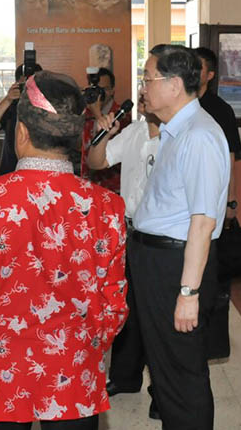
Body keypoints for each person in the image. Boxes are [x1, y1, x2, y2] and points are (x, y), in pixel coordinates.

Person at [0, 71, 128, 429]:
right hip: (74, 371)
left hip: (0, 371)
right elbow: (113, 300)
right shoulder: (106, 207)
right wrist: (86, 347)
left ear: (21, 133)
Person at [130, 44, 230, 430]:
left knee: (182, 371)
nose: (143, 87)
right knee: (165, 367)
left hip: (177, 264)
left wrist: (188, 294)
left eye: (148, 78)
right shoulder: (175, 131)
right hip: (157, 260)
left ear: (174, 85)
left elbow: (203, 222)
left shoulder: (200, 136)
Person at [86, 94, 161, 412]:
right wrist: (104, 135)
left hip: (162, 238)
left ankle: (162, 389)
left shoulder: (179, 138)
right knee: (126, 306)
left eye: (150, 83)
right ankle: (126, 376)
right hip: (129, 231)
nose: (142, 93)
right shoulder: (133, 132)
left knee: (159, 316)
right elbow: (96, 162)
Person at [193, 47, 241, 222]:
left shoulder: (221, 110)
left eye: (198, 69)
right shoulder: (177, 105)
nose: (192, 73)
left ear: (210, 75)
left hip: (210, 191)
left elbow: (229, 157)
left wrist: (231, 199)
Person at [0, 62, 43, 176]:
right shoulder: (11, 105)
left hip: (40, 173)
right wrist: (8, 99)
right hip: (11, 172)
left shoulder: (48, 107)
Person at [80, 67, 127, 193]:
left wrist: (97, 114)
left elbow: (112, 151)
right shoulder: (83, 114)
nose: (100, 94)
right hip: (86, 185)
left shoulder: (121, 115)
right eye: (96, 89)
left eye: (104, 89)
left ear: (112, 91)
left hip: (111, 188)